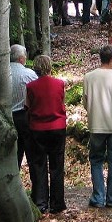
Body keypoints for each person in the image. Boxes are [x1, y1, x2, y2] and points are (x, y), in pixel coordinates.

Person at [83, 44, 112, 208]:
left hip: (96, 124)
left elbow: (85, 102)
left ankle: (98, 197)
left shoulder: (89, 77)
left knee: (96, 160)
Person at [25, 55, 67, 214]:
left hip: (37, 129)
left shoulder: (30, 86)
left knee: (39, 165)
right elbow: (61, 104)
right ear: (50, 66)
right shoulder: (59, 84)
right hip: (57, 127)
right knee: (57, 165)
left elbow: (27, 107)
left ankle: (41, 202)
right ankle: (57, 203)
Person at [9, 44, 39, 201]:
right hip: (25, 117)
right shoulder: (29, 74)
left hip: (7, 118)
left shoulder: (2, 73)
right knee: (32, 154)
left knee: (13, 156)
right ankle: (37, 192)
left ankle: (12, 191)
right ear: (22, 58)